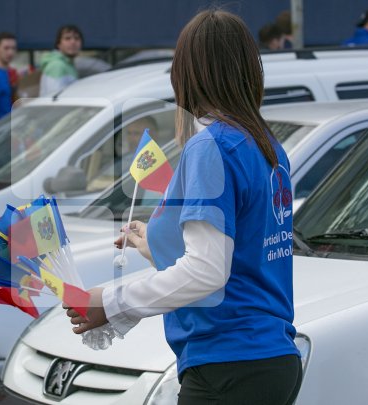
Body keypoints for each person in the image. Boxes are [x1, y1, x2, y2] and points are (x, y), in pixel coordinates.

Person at [65, 9, 302, 405]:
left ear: (186, 74)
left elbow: (207, 271)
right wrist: (150, 243)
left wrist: (110, 302)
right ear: (249, 69)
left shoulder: (211, 146)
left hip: (228, 364)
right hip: (269, 359)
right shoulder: (266, 145)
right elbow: (237, 254)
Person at [39, 25, 82, 96]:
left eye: (77, 38)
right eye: (67, 38)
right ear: (58, 44)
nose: (73, 42)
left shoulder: (69, 65)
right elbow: (54, 100)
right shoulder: (57, 65)